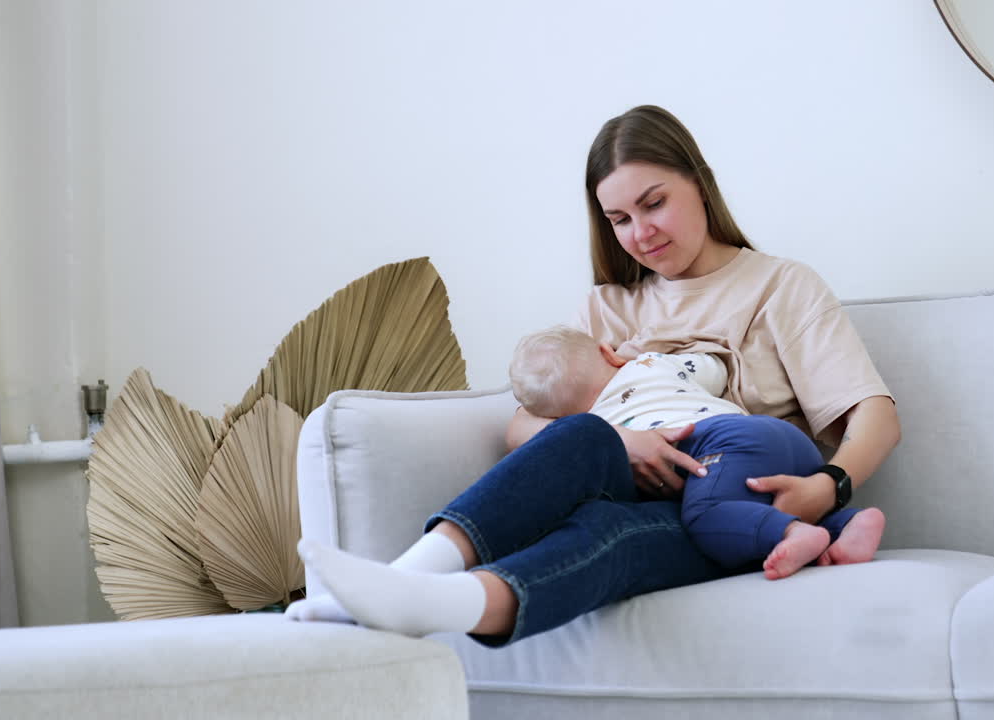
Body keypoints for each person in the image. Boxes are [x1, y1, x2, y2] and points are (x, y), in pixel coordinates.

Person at [288, 104, 901, 643]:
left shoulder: (779, 285)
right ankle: (411, 580)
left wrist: (829, 487)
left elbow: (875, 416)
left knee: (608, 530)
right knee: (586, 444)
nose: (641, 232)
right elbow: (526, 427)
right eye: (620, 218)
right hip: (636, 487)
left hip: (735, 513)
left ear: (701, 184)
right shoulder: (606, 309)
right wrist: (622, 441)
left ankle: (431, 602)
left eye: (654, 203)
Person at [507, 325, 881, 579]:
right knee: (747, 506)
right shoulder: (648, 363)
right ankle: (846, 525)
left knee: (705, 516)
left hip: (718, 444)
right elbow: (713, 369)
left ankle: (791, 533)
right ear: (609, 353)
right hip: (781, 436)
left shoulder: (599, 424)